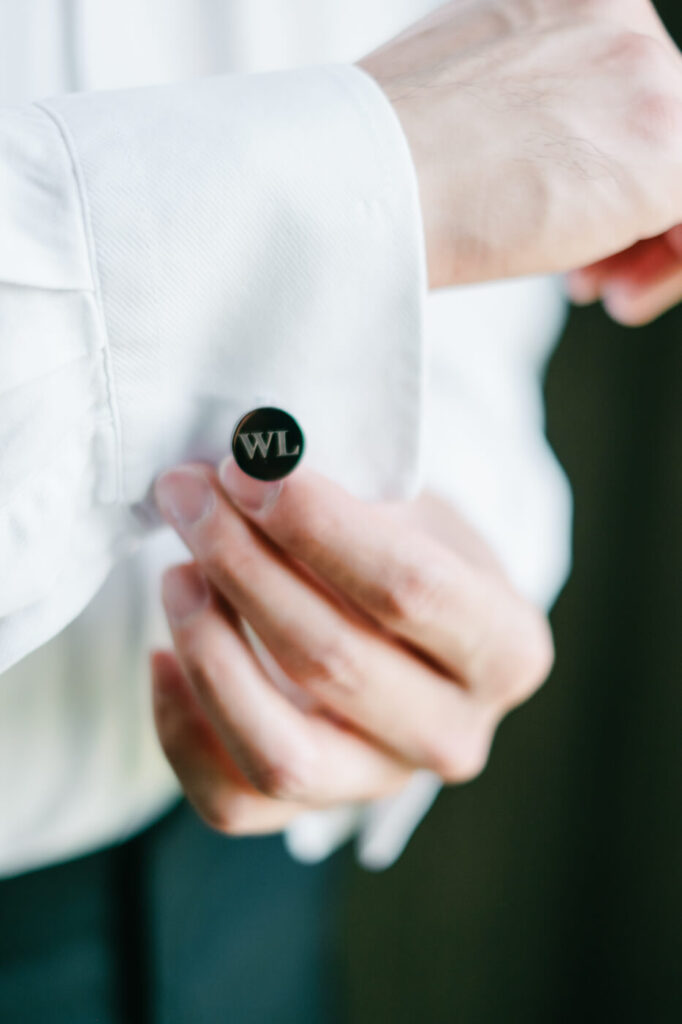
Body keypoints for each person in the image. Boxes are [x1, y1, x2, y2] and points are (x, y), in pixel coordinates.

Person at [2, 1, 682, 1020]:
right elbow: (440, 146)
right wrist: (372, 164)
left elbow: (487, 242)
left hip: (248, 918)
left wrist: (442, 534)